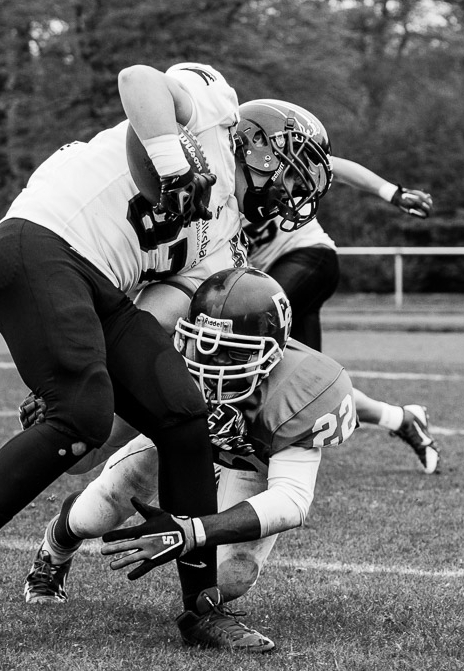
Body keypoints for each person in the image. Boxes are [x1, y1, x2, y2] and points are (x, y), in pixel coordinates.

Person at [0, 62, 332, 652]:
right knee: (81, 416)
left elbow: (159, 311)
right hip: (39, 240)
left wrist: (87, 361)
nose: (293, 198)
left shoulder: (226, 237)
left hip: (100, 289)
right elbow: (138, 80)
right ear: (265, 154)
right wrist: (176, 164)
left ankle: (200, 609)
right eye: (295, 178)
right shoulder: (215, 113)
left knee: (184, 419)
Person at [24, 268, 357, 645]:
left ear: (274, 350)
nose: (212, 361)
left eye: (233, 351)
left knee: (231, 577)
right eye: (205, 343)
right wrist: (62, 423)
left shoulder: (303, 387)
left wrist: (191, 532)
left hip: (251, 463)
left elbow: (292, 500)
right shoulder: (172, 361)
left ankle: (205, 606)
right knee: (95, 515)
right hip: (182, 441)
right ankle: (56, 546)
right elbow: (83, 458)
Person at [242, 137, 442, 473]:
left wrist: (392, 192)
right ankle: (402, 419)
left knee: (250, 326)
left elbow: (332, 165)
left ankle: (236, 450)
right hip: (270, 277)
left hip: (307, 256)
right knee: (307, 386)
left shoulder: (251, 160)